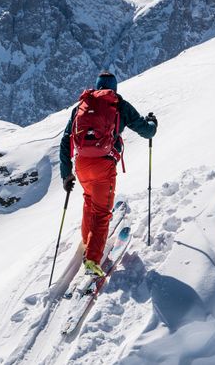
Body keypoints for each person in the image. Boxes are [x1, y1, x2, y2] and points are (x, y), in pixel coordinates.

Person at [59, 71, 156, 277]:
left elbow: (65, 139)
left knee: (89, 200)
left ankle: (88, 240)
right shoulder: (119, 105)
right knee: (102, 212)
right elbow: (146, 132)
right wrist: (152, 123)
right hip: (104, 166)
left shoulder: (81, 106)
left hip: (82, 164)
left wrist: (66, 174)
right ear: (114, 88)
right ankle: (93, 260)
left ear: (96, 86)